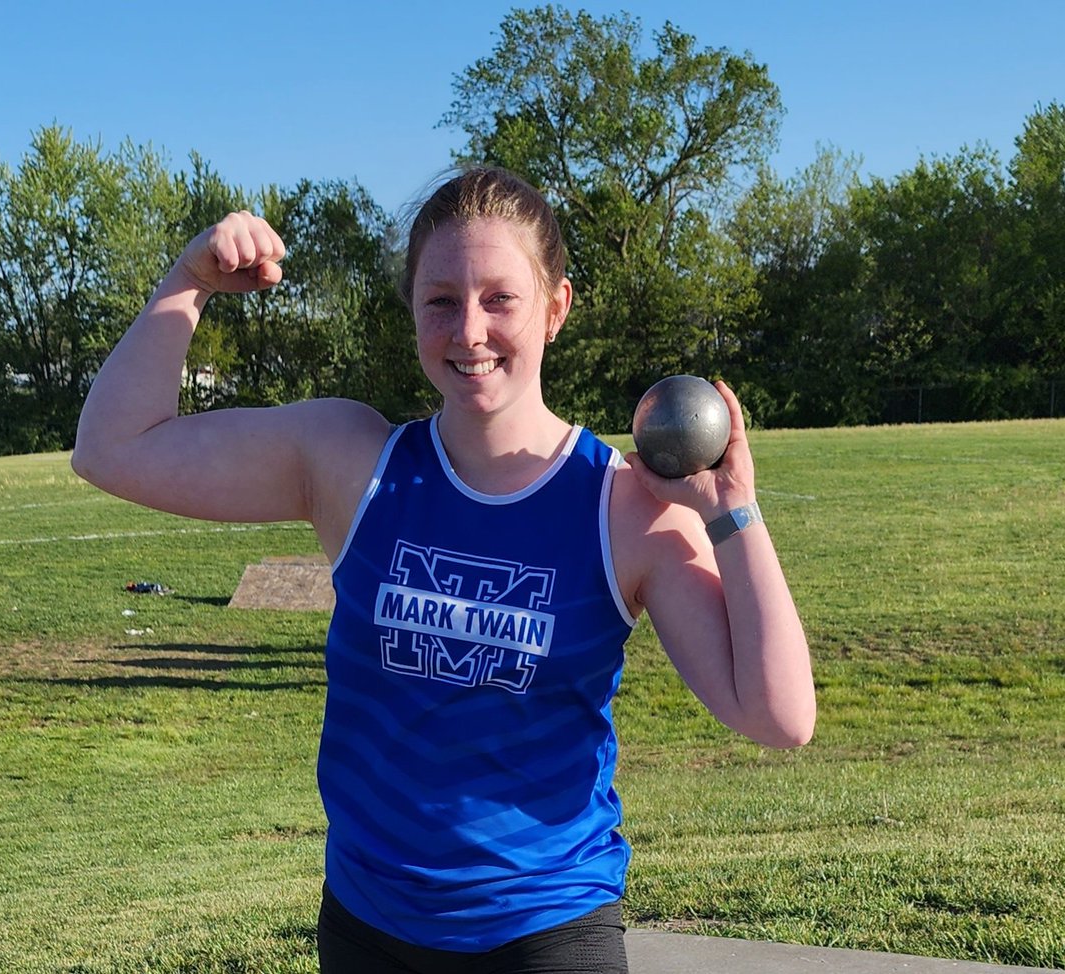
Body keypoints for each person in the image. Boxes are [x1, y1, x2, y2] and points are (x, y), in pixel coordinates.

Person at [72, 167, 816, 973]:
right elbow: (112, 450)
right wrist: (189, 281)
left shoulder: (624, 507)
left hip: (547, 931)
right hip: (369, 927)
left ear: (556, 307)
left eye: (500, 299)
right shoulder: (349, 463)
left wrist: (732, 512)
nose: (468, 331)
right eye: (440, 300)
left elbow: (778, 717)